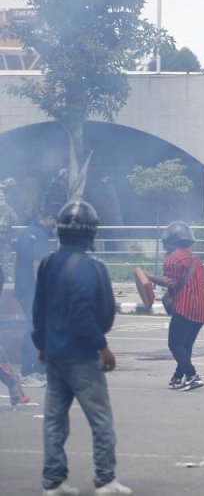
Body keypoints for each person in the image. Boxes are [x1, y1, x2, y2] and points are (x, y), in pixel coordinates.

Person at [32, 200, 131, 496]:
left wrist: (42, 344)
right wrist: (103, 347)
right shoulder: (89, 267)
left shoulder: (49, 263)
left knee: (54, 421)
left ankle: (53, 482)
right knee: (100, 420)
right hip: (82, 357)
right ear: (92, 233)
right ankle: (105, 480)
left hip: (55, 355)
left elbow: (39, 310)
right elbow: (84, 313)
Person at [145, 221, 204, 391]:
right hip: (201, 311)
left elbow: (170, 283)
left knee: (174, 344)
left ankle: (192, 376)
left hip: (185, 308)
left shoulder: (173, 260)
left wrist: (147, 276)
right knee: (185, 346)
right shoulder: (195, 260)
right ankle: (177, 378)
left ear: (170, 240)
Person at [15, 209, 57, 387]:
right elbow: (37, 265)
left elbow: (17, 261)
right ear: (47, 218)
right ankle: (28, 372)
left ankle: (38, 371)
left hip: (23, 287)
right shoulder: (41, 236)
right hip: (33, 290)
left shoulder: (24, 233)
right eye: (54, 219)